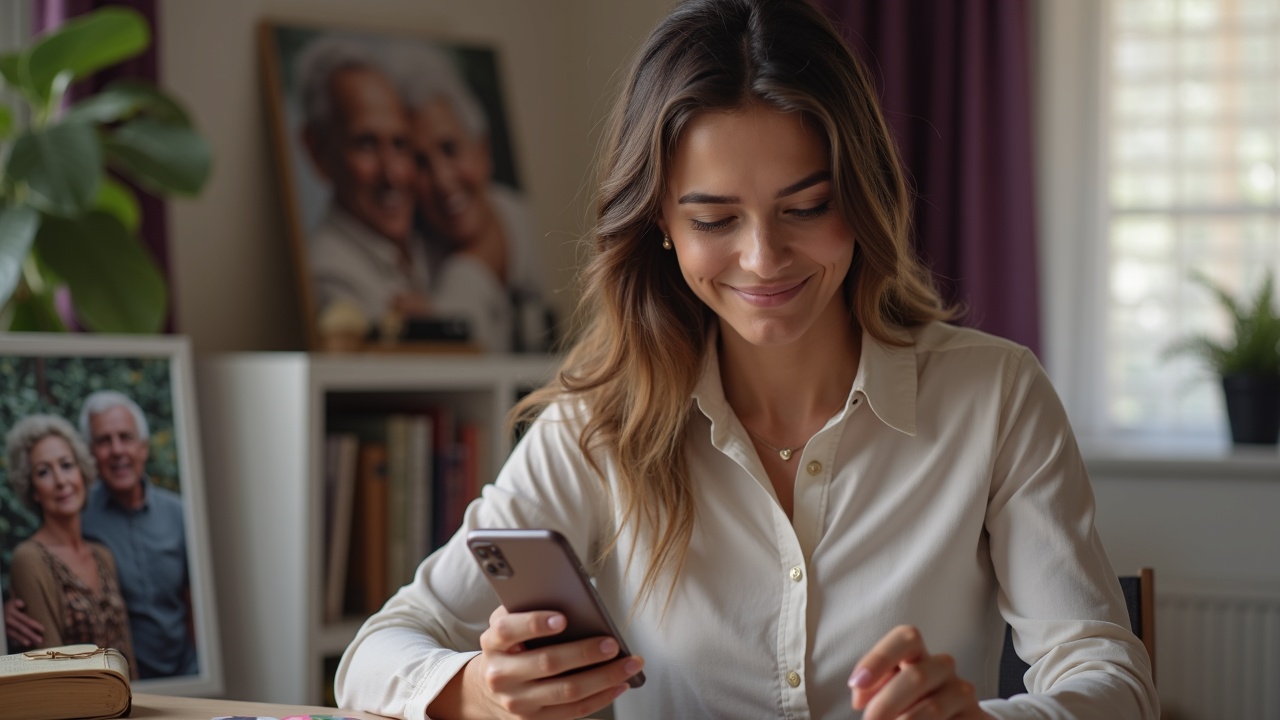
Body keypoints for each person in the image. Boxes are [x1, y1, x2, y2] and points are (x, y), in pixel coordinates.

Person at [335, 1, 1160, 718]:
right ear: (660, 224)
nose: (764, 259)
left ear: (861, 200)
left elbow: (1114, 684)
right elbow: (375, 652)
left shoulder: (996, 395)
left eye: (806, 207)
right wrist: (478, 692)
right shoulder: (598, 426)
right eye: (714, 219)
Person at [4, 391, 196, 679]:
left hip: (175, 678)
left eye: (125, 437)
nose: (61, 481)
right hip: (91, 694)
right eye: (104, 440)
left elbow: (196, 605)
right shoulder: (71, 517)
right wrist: (7, 614)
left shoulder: (178, 514)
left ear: (143, 447)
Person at [388, 42, 551, 352]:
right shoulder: (408, 262)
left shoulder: (526, 219)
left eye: (450, 149)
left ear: (483, 150)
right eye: (420, 163)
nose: (442, 181)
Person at [297, 36, 433, 330]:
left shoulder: (430, 243)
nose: (393, 174)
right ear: (317, 151)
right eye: (366, 144)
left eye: (400, 144)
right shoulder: (330, 280)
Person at [4, 414, 136, 676]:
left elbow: (128, 655)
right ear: (33, 489)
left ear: (82, 473)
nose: (61, 481)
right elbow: (52, 673)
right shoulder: (29, 559)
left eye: (66, 465)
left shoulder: (103, 555)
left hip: (129, 697)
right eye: (43, 472)